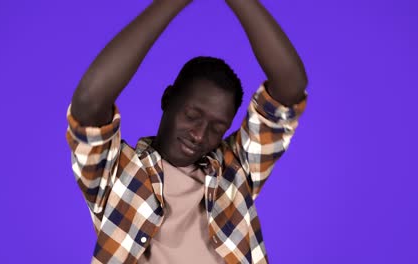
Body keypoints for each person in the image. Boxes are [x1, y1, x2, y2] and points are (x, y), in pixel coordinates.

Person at [65, 1, 307, 263]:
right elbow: (89, 102)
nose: (200, 135)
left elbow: (290, 86)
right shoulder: (116, 175)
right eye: (192, 116)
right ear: (167, 99)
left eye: (217, 127)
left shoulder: (236, 169)